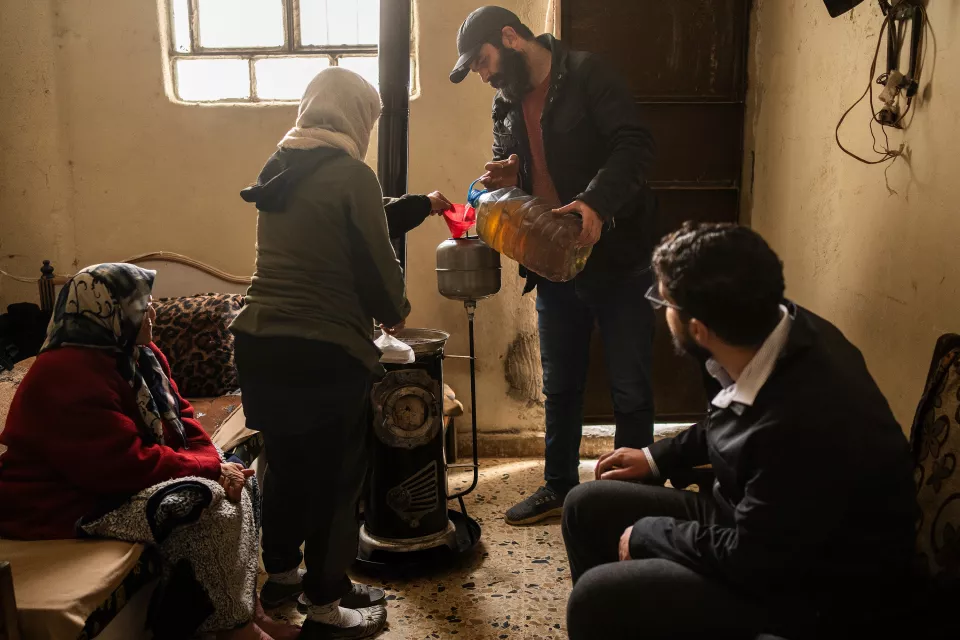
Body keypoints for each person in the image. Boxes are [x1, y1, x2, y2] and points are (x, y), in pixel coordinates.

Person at [561, 223, 920, 639]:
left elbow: (754, 559)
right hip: (764, 522)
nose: (663, 311)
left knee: (597, 597)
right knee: (585, 505)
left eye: (667, 303)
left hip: (817, 590)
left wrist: (649, 535)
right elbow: (731, 414)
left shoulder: (802, 421)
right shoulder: (770, 328)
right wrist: (658, 457)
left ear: (699, 330)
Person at [0, 263, 297, 640]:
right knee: (203, 500)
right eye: (143, 305)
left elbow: (184, 416)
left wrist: (217, 461)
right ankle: (235, 631)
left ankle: (248, 611)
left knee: (241, 475)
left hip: (109, 482)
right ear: (107, 313)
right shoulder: (65, 372)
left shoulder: (140, 353)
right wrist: (210, 471)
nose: (153, 313)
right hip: (65, 501)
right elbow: (122, 464)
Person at [450, 6, 659, 525]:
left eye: (483, 60)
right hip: (552, 263)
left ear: (510, 37)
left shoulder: (589, 74)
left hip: (618, 255)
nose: (484, 73)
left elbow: (635, 146)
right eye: (476, 67)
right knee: (560, 384)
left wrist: (595, 202)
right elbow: (518, 164)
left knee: (630, 386)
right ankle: (560, 486)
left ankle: (630, 497)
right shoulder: (505, 104)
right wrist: (508, 171)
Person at [231, 67, 414, 640]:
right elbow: (378, 266)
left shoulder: (277, 165)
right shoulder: (352, 174)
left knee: (284, 469)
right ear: (355, 116)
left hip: (260, 347)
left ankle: (284, 577)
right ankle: (327, 609)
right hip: (324, 353)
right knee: (336, 481)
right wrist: (397, 309)